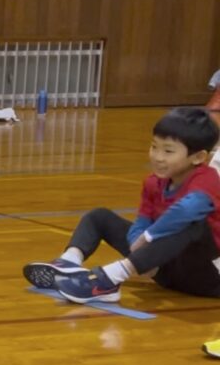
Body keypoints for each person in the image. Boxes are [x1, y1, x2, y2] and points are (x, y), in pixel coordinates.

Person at [24, 107, 220, 304]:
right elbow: (142, 220)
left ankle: (109, 279)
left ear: (198, 157)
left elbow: (186, 211)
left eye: (168, 151)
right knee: (99, 216)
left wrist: (147, 238)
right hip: (165, 270)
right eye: (154, 147)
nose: (158, 157)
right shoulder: (153, 182)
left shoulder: (208, 180)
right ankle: (68, 262)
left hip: (209, 278)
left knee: (191, 223)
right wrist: (140, 251)